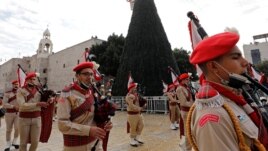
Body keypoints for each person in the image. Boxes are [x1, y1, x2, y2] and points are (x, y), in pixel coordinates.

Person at [187, 32, 267, 151]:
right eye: (236, 57)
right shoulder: (212, 115)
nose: (245, 62)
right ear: (213, 67)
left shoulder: (235, 96)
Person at [57, 62, 113, 151]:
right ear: (77, 76)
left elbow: (97, 115)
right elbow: (62, 124)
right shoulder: (67, 94)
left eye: (91, 74)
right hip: (75, 146)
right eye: (85, 74)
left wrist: (105, 122)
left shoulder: (93, 92)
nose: (90, 77)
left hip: (96, 144)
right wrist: (89, 130)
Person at [16, 72, 49, 151]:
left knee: (35, 142)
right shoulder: (20, 90)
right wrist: (37, 104)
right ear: (26, 80)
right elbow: (22, 105)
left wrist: (49, 100)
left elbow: (44, 100)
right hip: (24, 119)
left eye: (34, 79)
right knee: (23, 143)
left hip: (36, 118)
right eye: (31, 79)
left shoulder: (39, 89)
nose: (33, 81)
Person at [176, 73, 194, 151]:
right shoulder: (180, 88)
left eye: (188, 79)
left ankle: (185, 146)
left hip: (190, 111)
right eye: (187, 79)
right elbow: (183, 103)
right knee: (188, 131)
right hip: (186, 112)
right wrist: (194, 105)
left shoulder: (186, 87)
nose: (188, 80)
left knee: (190, 131)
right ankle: (186, 148)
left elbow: (190, 99)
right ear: (182, 80)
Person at [126, 82, 146, 147]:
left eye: (135, 87)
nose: (135, 88)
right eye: (134, 87)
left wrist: (143, 103)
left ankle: (137, 137)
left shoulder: (136, 94)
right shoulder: (129, 96)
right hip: (132, 114)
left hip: (138, 113)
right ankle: (132, 140)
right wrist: (140, 108)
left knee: (141, 125)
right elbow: (131, 106)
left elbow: (139, 101)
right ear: (131, 88)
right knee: (133, 127)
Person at [3, 80, 20, 151]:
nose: (16, 85)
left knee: (17, 128)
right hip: (9, 113)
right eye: (15, 84)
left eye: (17, 84)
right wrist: (13, 106)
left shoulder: (21, 93)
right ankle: (8, 144)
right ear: (12, 85)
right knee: (8, 129)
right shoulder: (7, 93)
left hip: (18, 113)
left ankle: (15, 142)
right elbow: (4, 104)